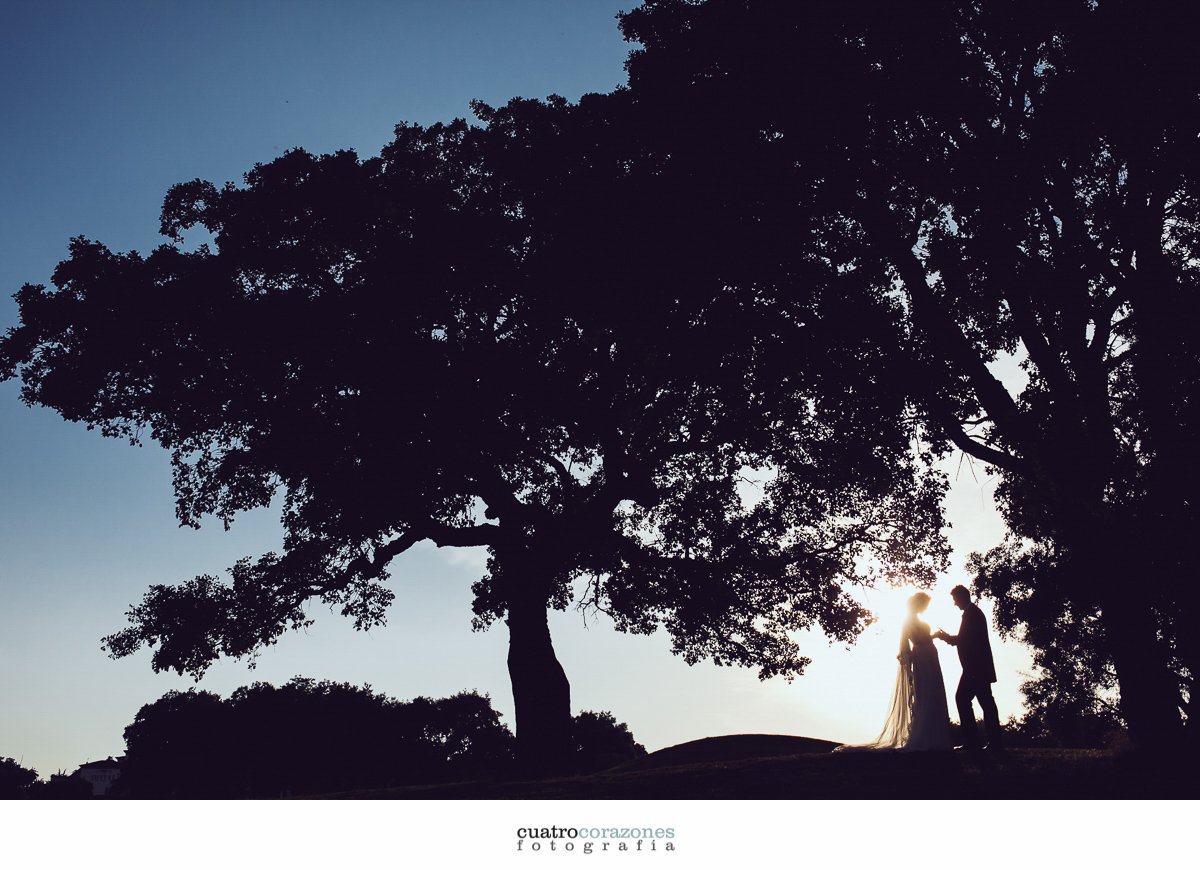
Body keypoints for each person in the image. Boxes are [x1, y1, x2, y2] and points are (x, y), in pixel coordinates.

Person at [841, 591, 951, 751]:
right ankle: (927, 736)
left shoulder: (915, 619)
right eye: (925, 604)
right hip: (924, 657)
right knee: (927, 693)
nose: (926, 608)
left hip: (929, 656)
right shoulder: (908, 621)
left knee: (933, 693)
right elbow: (915, 640)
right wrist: (929, 640)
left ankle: (934, 735)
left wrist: (933, 636)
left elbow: (921, 638)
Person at [934, 585, 1002, 750]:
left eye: (955, 599)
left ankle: (974, 741)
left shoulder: (972, 615)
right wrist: (948, 637)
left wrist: (944, 637)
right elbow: (965, 639)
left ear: (962, 597)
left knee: (965, 699)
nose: (955, 604)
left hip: (975, 668)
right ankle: (992, 742)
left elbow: (964, 640)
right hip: (978, 668)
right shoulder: (973, 613)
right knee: (985, 702)